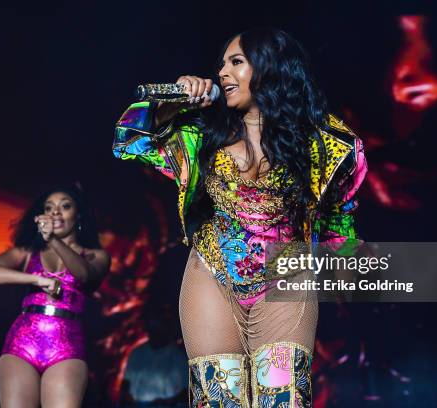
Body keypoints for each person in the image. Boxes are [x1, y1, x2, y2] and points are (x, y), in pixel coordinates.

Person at [113, 28, 367, 407]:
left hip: (285, 276)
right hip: (212, 275)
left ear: (270, 68)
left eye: (236, 62)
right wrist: (177, 103)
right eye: (221, 65)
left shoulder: (324, 142)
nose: (222, 73)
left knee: (282, 399)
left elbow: (338, 214)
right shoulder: (200, 134)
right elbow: (128, 140)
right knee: (220, 400)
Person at [0, 184, 110, 407]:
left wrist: (52, 241)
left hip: (67, 344)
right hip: (22, 341)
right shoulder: (28, 252)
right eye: (49, 208)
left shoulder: (96, 255)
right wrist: (36, 279)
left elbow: (85, 275)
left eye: (64, 206)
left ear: (78, 215)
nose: (55, 212)